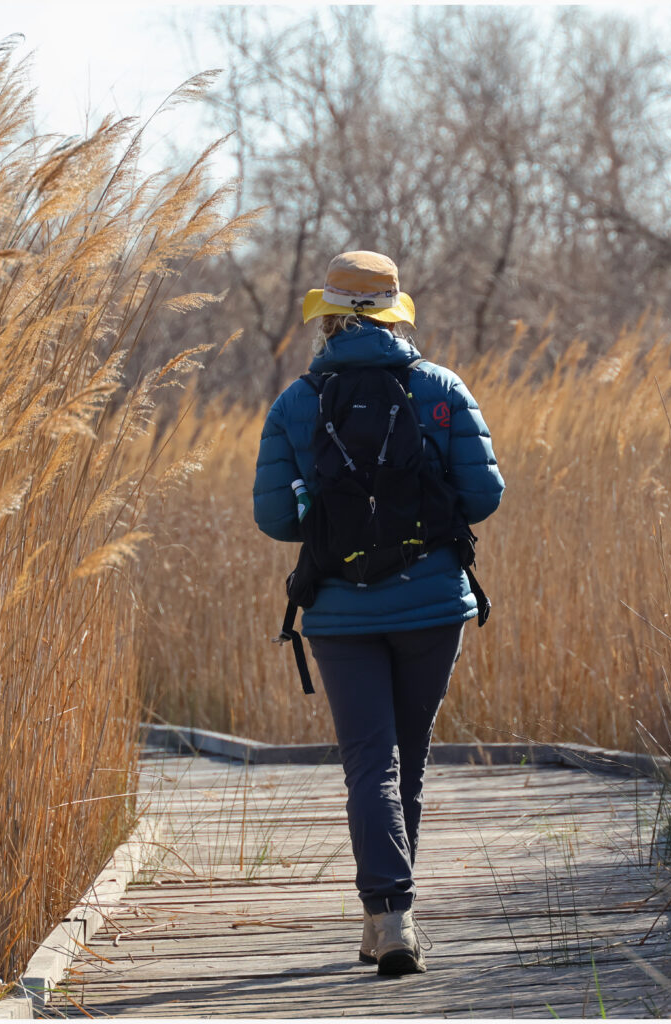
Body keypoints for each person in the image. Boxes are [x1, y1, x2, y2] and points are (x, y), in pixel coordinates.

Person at [252, 251, 505, 976]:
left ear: (326, 316)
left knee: (370, 761)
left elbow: (275, 518)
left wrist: (327, 514)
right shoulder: (441, 389)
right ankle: (392, 916)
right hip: (432, 604)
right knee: (410, 758)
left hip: (339, 610)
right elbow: (484, 497)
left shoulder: (297, 401)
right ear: (396, 311)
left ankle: (388, 915)